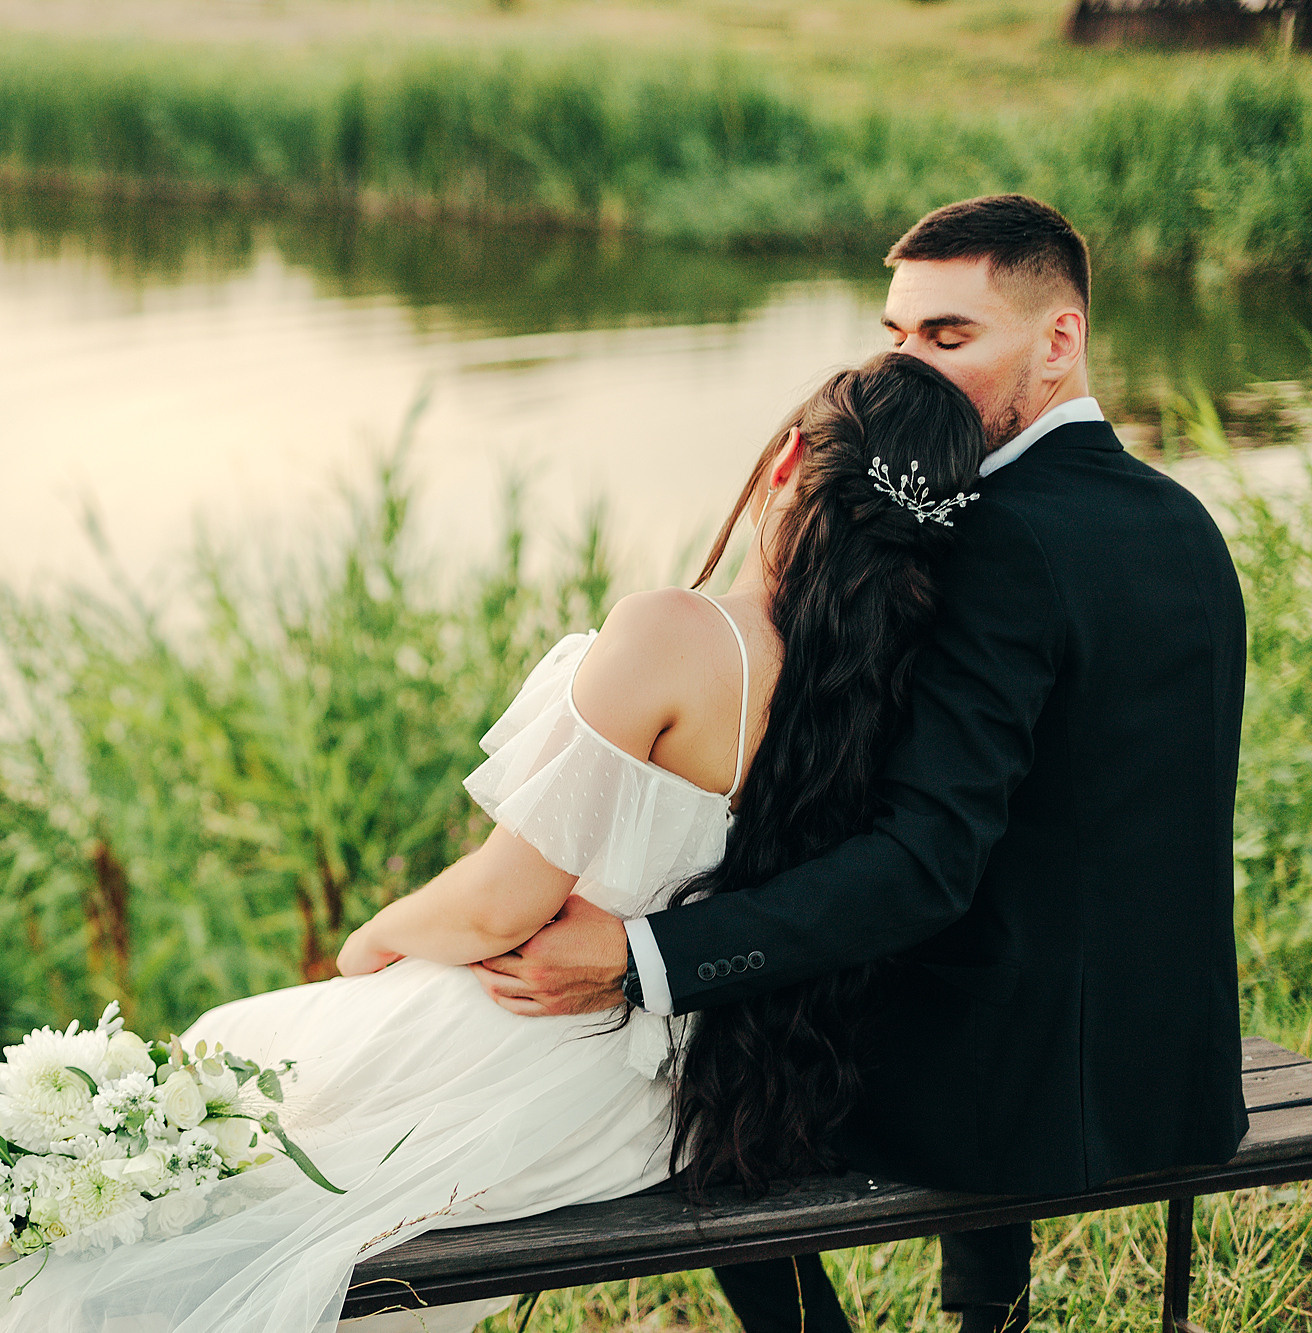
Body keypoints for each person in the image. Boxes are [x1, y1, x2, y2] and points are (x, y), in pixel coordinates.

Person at [0, 351, 988, 1333]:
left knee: (215, 1084)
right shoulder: (894, 688)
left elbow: (499, 908)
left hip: (540, 1050)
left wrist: (373, 937)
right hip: (668, 1101)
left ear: (785, 463)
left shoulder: (676, 635)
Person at [470, 194, 1249, 1333]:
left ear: (1058, 339)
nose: (908, 368)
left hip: (1014, 1099)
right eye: (895, 335)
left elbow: (922, 867)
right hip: (1169, 1070)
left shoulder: (985, 536)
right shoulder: (1183, 521)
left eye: (946, 337)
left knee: (694, 1081)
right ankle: (992, 1311)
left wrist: (645, 952)